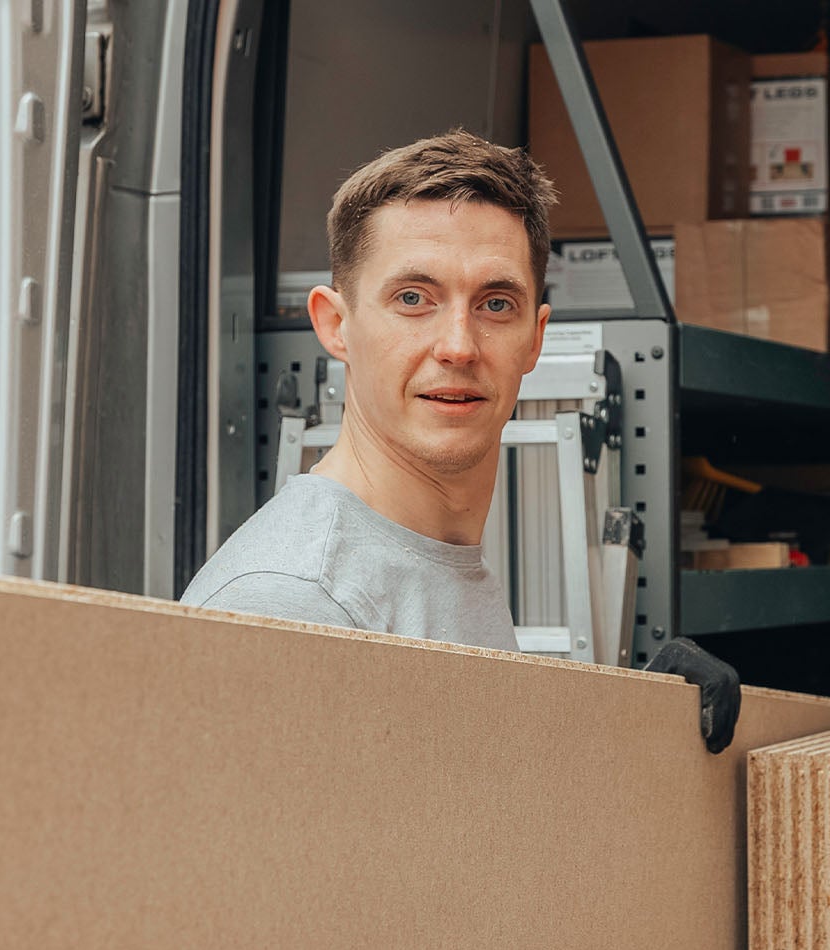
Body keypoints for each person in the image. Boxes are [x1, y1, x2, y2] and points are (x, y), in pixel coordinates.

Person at [180, 129, 555, 650]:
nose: (459, 347)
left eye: (495, 304)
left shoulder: (436, 565)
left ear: (535, 339)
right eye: (412, 298)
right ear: (335, 324)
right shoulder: (294, 601)